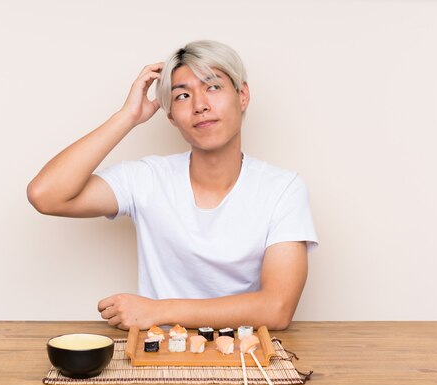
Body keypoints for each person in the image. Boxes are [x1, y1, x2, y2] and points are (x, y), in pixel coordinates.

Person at [27, 40, 318, 331]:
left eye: (213, 87)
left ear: (242, 96)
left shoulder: (282, 189)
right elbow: (46, 195)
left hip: (245, 357)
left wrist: (159, 311)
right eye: (181, 96)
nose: (200, 105)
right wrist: (126, 117)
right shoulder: (148, 178)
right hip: (159, 357)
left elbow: (277, 308)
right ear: (170, 117)